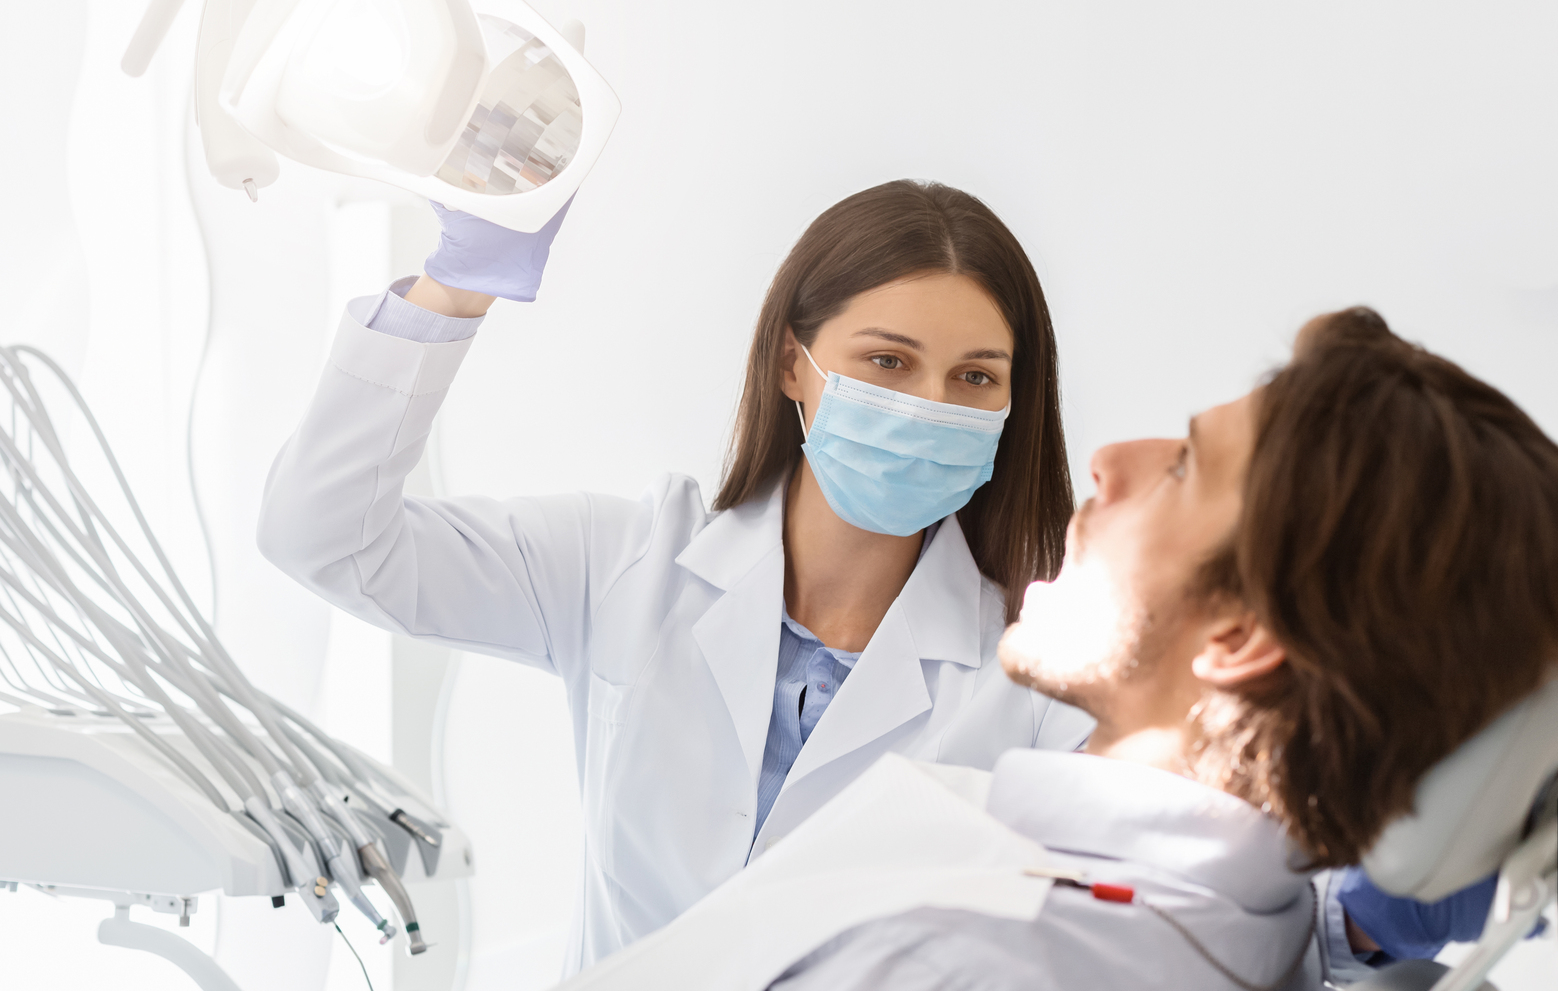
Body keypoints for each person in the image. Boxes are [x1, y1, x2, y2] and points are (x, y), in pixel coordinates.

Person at [562, 307, 1558, 990]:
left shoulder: (963, 964)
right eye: (888, 361)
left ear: (1242, 636)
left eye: (1181, 469)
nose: (1108, 460)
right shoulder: (1235, 913)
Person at [257, 181, 1095, 973]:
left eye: (975, 378)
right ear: (791, 364)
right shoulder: (624, 561)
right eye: (887, 362)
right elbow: (326, 537)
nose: (928, 407)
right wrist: (456, 286)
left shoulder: (1040, 681)